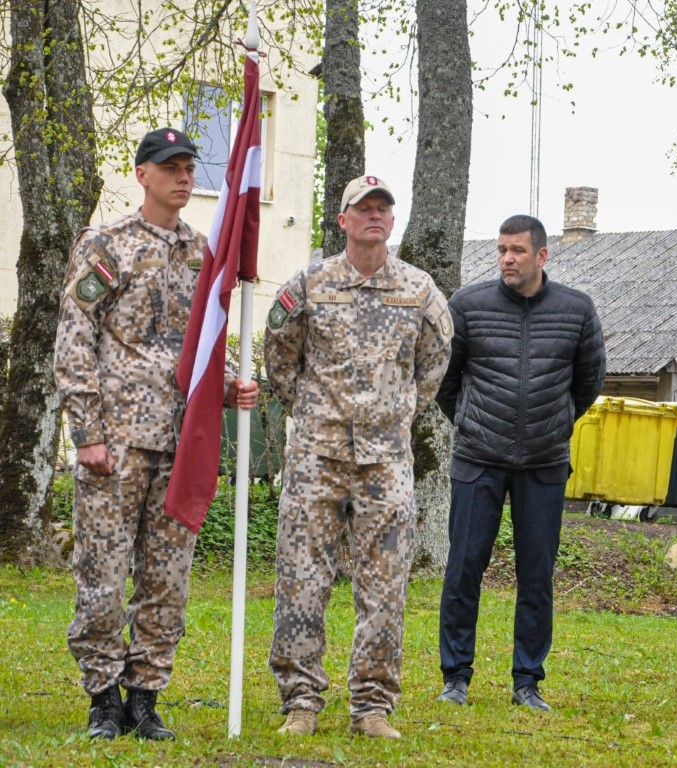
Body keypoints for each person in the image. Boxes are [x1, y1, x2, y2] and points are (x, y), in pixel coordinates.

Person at [54, 127, 259, 741]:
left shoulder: (206, 252)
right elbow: (74, 339)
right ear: (142, 174)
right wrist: (86, 432)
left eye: (189, 166)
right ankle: (103, 698)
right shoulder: (106, 244)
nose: (183, 176)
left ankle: (145, 696)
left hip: (180, 443)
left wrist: (228, 385)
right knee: (104, 577)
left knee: (167, 578)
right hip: (114, 444)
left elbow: (201, 345)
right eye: (169, 166)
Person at [263, 174, 452, 738]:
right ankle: (300, 702)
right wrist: (317, 411)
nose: (373, 216)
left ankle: (372, 707)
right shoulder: (310, 284)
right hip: (315, 460)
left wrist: (392, 415)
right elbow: (280, 358)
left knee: (384, 586)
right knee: (301, 580)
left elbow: (433, 366)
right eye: (361, 208)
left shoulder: (420, 292)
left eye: (382, 209)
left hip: (386, 464)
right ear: (342, 220)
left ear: (392, 222)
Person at [434, 214, 606, 711]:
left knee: (537, 575)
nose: (508, 259)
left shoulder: (577, 310)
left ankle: (527, 681)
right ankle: (456, 677)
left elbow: (589, 382)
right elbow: (447, 379)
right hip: (478, 460)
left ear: (542, 255)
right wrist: (469, 421)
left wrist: (555, 424)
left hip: (544, 464)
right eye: (502, 250)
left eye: (518, 251)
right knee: (464, 568)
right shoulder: (467, 305)